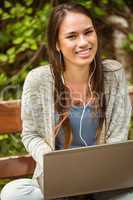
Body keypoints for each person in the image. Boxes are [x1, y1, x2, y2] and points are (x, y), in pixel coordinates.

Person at [0, 2, 132, 200]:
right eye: (72, 36)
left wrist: (102, 173)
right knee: (13, 194)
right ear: (56, 44)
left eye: (88, 32)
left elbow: (118, 136)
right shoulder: (38, 80)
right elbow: (31, 135)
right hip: (57, 184)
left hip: (105, 182)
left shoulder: (113, 74)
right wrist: (51, 160)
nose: (84, 42)